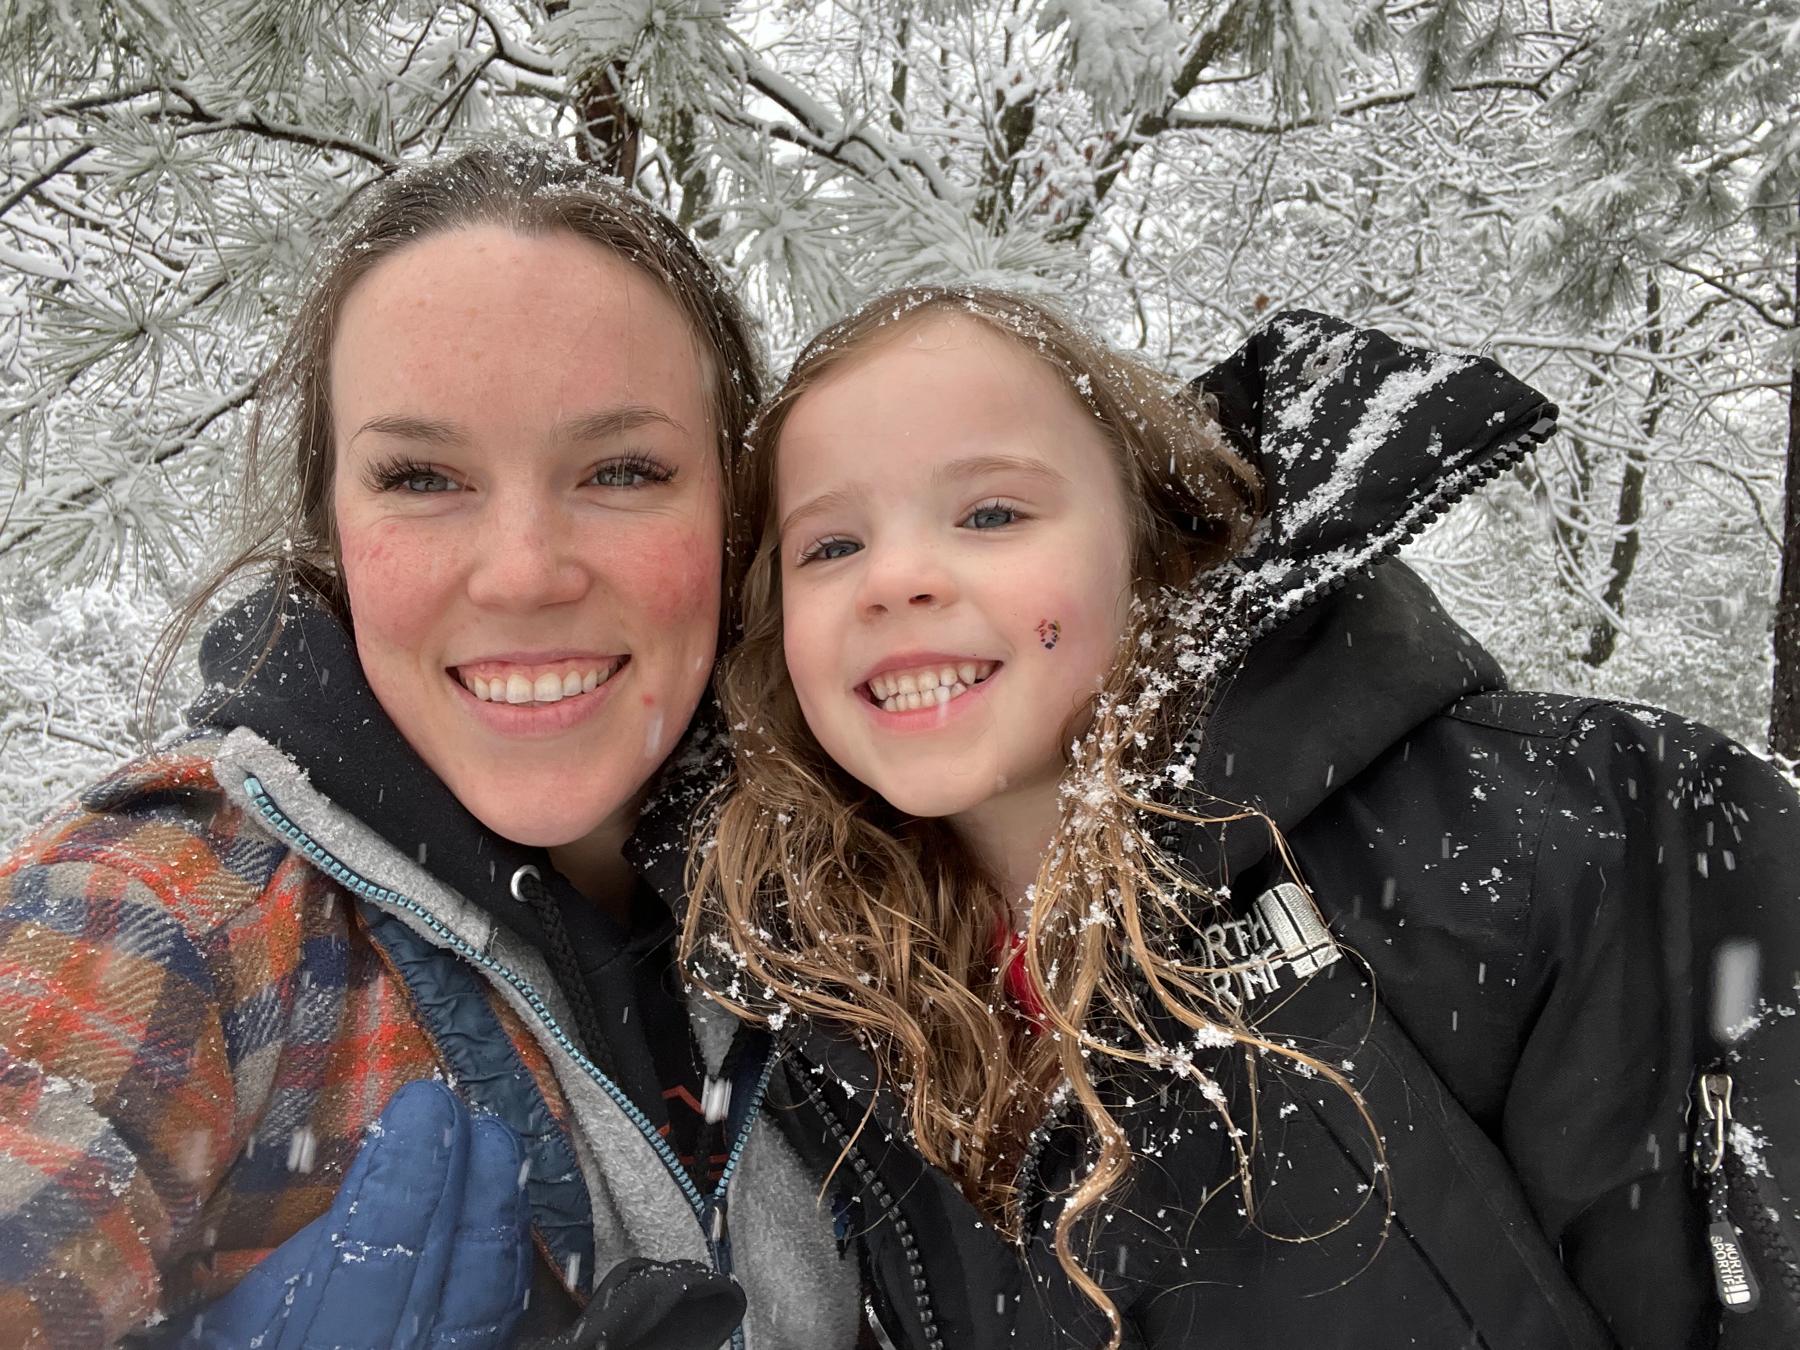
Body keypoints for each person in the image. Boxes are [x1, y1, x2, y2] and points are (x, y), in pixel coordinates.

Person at [681, 286, 1800, 1348]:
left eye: (991, 511)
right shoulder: (814, 1008)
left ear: (1158, 542)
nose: (897, 578)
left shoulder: (1576, 823)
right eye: (832, 545)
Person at [0, 142, 859, 1348]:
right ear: (331, 524)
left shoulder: (877, 901)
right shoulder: (164, 917)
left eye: (621, 469)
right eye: (421, 477)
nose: (522, 572)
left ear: (736, 508)